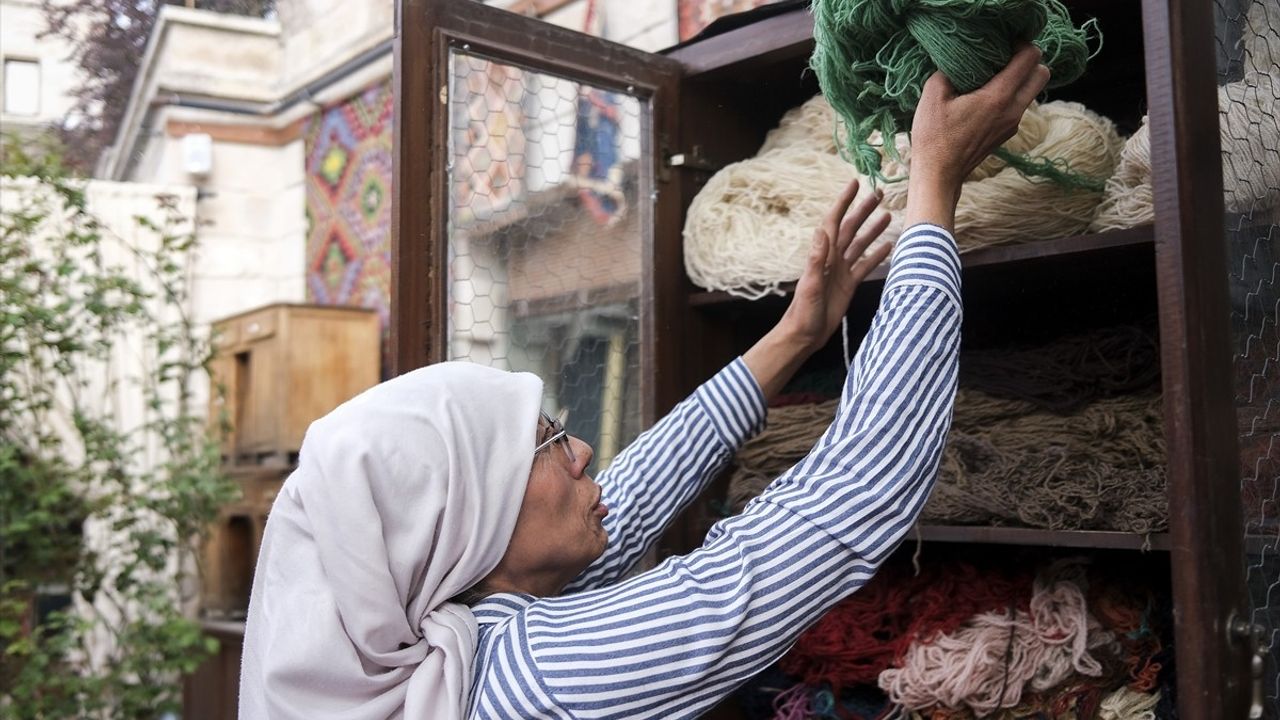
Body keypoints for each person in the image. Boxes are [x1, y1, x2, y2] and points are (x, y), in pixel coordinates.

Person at [238, 45, 1051, 720]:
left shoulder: (441, 647)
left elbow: (629, 497)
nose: (586, 449)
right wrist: (934, 189)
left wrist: (798, 332)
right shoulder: (531, 680)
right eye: (550, 443)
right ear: (468, 531)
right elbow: (850, 499)